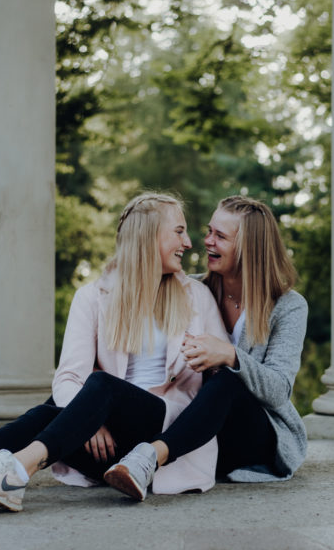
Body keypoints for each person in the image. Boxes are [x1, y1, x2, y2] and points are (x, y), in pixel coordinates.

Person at [0, 192, 228, 514]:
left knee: (99, 386)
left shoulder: (197, 297)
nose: (188, 242)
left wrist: (91, 410)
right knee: (50, 411)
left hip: (164, 435)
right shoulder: (92, 297)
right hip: (109, 449)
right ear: (148, 235)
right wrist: (89, 420)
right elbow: (69, 375)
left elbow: (219, 382)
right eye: (179, 231)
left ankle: (15, 473)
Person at [102, 194, 308, 498]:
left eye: (220, 236)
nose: (207, 241)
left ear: (249, 249)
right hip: (196, 435)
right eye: (209, 231)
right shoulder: (192, 290)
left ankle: (150, 457)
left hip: (255, 437)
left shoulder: (288, 307)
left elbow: (278, 390)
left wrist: (229, 355)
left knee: (228, 380)